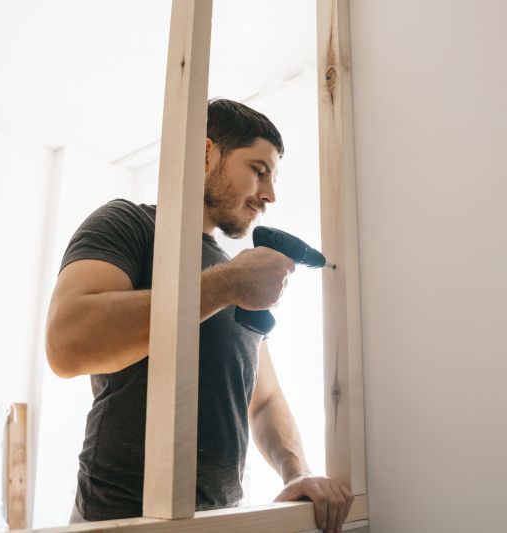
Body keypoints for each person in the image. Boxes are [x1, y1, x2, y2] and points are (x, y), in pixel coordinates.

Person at [45, 99, 353, 532]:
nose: (270, 195)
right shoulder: (129, 225)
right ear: (206, 154)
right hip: (118, 520)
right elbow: (67, 344)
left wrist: (296, 472)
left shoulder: (235, 272)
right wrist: (226, 284)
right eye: (258, 170)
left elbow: (262, 400)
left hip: (218, 521)